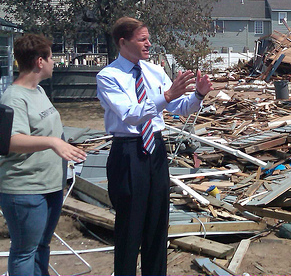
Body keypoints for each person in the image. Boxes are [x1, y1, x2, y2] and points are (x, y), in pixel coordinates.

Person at [96, 16, 212, 276]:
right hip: (128, 153)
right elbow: (131, 114)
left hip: (155, 151)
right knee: (129, 227)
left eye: (149, 38)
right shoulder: (108, 77)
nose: (149, 44)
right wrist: (167, 95)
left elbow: (178, 109)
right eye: (143, 39)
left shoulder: (155, 71)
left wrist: (198, 95)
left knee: (158, 224)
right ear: (123, 42)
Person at [0, 34, 87, 276]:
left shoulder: (37, 91)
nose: (53, 62)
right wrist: (52, 143)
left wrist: (63, 145)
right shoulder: (14, 97)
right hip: (25, 189)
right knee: (25, 251)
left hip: (49, 186)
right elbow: (10, 140)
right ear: (40, 61)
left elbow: (43, 129)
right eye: (51, 57)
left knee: (41, 247)